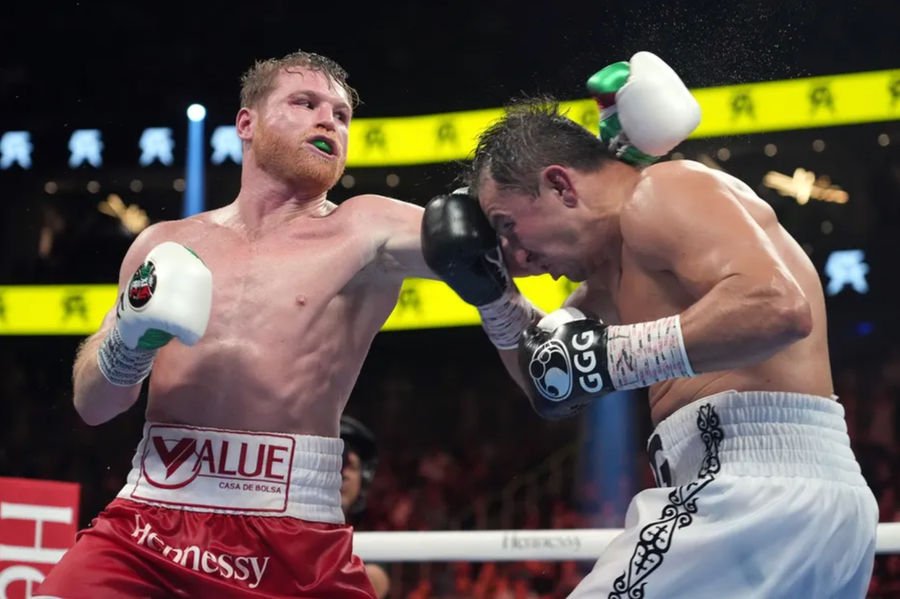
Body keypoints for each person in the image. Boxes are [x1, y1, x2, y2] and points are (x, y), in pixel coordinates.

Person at [422, 52, 878, 598]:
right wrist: (492, 296)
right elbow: (548, 383)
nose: (518, 257)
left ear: (562, 186)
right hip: (783, 498)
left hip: (754, 488)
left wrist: (613, 356)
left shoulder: (664, 190)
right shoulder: (610, 278)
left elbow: (777, 307)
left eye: (508, 226)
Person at [37, 50, 436, 598]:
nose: (329, 121)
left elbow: (491, 241)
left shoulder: (366, 228)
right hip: (151, 521)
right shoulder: (164, 244)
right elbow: (94, 404)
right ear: (246, 123)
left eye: (342, 115)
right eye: (306, 103)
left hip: (295, 536)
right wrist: (129, 342)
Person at [340, 415, 391, 599]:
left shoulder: (375, 527)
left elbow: (376, 581)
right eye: (335, 464)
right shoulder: (283, 528)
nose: (343, 474)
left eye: (351, 466)